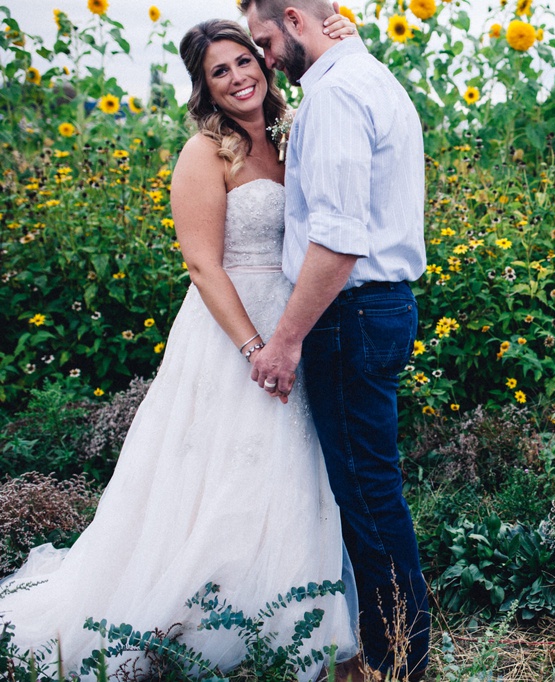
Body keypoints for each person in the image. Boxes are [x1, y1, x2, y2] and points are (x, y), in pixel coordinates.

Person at [0, 15, 361, 682]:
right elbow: (202, 266)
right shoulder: (205, 152)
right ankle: (195, 616)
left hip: (294, 326)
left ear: (264, 61)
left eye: (243, 61)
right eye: (218, 72)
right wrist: (255, 346)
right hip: (230, 333)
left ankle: (286, 615)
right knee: (218, 473)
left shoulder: (294, 132)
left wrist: (347, 35)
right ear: (205, 89)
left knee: (293, 469)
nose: (237, 78)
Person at [239, 1, 430, 679]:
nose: (262, 59)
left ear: (294, 17)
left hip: (349, 313)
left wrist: (286, 339)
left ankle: (396, 661)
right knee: (370, 486)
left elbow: (340, 238)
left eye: (262, 41)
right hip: (374, 309)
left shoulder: (337, 96)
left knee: (370, 495)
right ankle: (390, 648)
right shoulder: (364, 76)